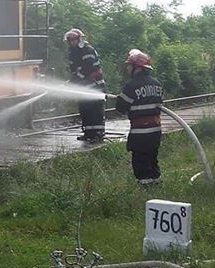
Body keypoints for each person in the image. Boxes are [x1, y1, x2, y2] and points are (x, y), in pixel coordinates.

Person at [115, 49, 164, 186]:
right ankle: (156, 184)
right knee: (152, 159)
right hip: (155, 131)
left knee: (141, 164)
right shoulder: (157, 84)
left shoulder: (131, 86)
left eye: (130, 65)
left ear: (137, 68)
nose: (128, 68)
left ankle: (146, 190)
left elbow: (120, 108)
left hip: (140, 134)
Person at [64, 28, 106, 142]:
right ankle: (88, 133)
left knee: (95, 110)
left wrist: (76, 80)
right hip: (83, 87)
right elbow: (74, 70)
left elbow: (88, 68)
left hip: (95, 85)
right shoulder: (73, 52)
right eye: (69, 41)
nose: (70, 43)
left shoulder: (87, 50)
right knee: (84, 109)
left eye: (72, 40)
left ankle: (98, 133)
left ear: (79, 40)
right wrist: (73, 80)